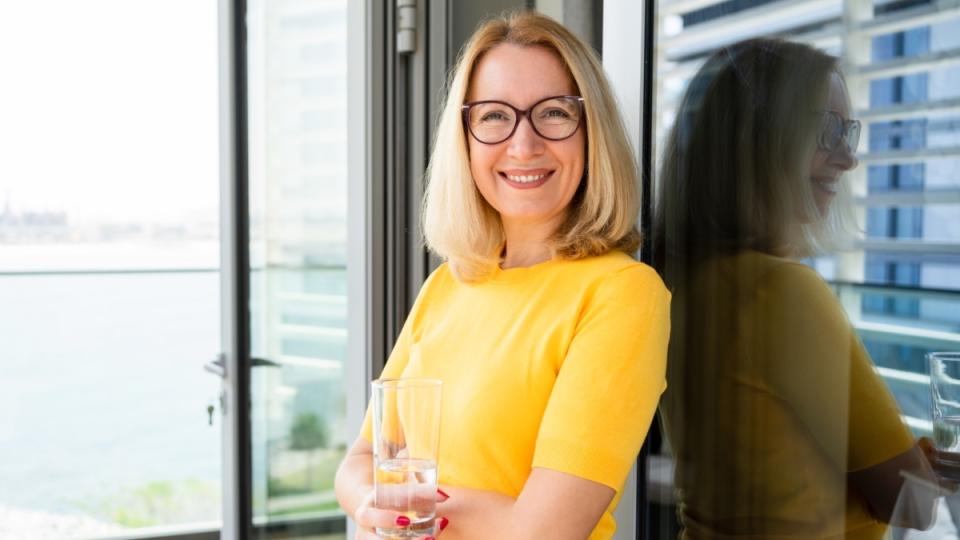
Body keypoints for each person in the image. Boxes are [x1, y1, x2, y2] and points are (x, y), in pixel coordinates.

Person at [334, 10, 671, 540]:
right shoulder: (449, 283)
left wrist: (411, 503)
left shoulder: (622, 294)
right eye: (494, 116)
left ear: (593, 132)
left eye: (555, 113)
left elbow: (545, 531)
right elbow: (357, 463)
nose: (523, 145)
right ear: (464, 138)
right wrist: (381, 505)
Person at [653, 38, 944, 539]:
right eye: (823, 131)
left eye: (847, 133)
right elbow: (909, 504)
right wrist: (939, 461)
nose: (847, 160)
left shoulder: (676, 283)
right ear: (754, 140)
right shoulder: (781, 291)